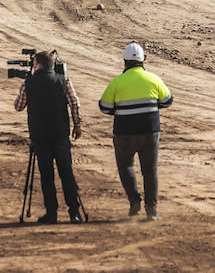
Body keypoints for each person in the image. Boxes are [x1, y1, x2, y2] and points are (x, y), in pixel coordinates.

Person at [99, 42, 173, 220]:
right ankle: (152, 211)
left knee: (125, 167)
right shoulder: (153, 79)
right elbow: (167, 100)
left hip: (124, 132)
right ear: (143, 61)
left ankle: (134, 202)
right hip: (149, 131)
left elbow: (105, 107)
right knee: (150, 171)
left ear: (125, 62)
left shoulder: (117, 82)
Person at [13, 50, 84, 223]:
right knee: (66, 173)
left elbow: (18, 106)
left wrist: (28, 82)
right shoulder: (63, 80)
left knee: (47, 176)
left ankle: (51, 213)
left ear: (37, 63)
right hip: (60, 134)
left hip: (40, 136)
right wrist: (77, 125)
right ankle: (74, 211)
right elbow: (74, 102)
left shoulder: (28, 84)